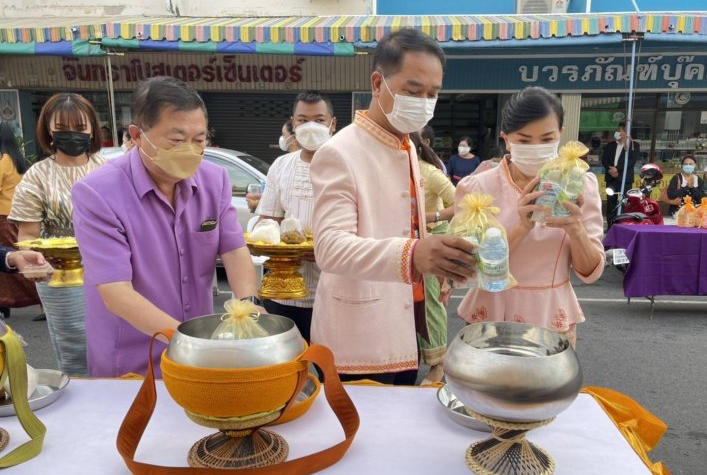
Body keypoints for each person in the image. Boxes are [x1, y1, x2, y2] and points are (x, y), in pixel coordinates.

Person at [310, 28, 476, 385]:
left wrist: (439, 263)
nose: (424, 102)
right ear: (377, 82)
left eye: (432, 94)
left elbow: (410, 226)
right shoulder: (339, 152)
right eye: (413, 91)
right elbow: (329, 248)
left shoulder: (407, 147)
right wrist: (414, 255)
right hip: (357, 338)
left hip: (405, 325)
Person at [72, 76, 259, 378]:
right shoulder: (97, 193)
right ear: (137, 135)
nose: (190, 149)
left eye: (199, 140)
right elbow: (115, 291)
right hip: (132, 361)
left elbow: (235, 250)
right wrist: (189, 341)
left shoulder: (214, 181)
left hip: (196, 357)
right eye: (176, 140)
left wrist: (249, 304)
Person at [455, 86, 605, 347]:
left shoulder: (580, 185)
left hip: (551, 315)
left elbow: (590, 272)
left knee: (546, 387)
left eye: (546, 139)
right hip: (490, 314)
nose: (536, 148)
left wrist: (576, 228)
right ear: (506, 139)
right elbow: (468, 267)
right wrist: (521, 226)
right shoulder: (476, 189)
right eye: (524, 141)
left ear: (560, 134)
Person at [9, 93, 107, 376]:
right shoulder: (37, 175)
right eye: (62, 129)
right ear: (49, 131)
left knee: (116, 344)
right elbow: (27, 234)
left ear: (91, 129)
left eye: (79, 127)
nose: (72, 135)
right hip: (63, 274)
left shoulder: (109, 169)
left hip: (112, 269)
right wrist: (34, 262)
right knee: (76, 351)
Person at [255, 91, 336, 344]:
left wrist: (327, 248)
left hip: (334, 294)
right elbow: (267, 221)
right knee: (286, 368)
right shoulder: (281, 165)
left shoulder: (350, 165)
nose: (311, 126)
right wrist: (277, 242)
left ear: (332, 124)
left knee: (330, 370)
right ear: (293, 124)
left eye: (320, 120)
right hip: (282, 294)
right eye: (303, 120)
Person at [410, 132, 455, 384]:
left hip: (432, 242)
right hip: (404, 244)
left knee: (431, 304)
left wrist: (431, 217)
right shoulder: (393, 171)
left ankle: (438, 365)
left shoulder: (429, 173)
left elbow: (462, 202)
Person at [0, 122, 41, 318]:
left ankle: (42, 298)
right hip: (14, 214)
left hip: (2, 217)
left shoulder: (2, 160)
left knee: (15, 262)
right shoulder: (17, 160)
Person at [602, 122, 641, 227]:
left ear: (626, 132)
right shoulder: (610, 145)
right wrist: (610, 169)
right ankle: (611, 226)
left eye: (620, 130)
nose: (617, 132)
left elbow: (632, 161)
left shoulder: (633, 145)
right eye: (617, 130)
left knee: (624, 202)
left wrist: (617, 169)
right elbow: (604, 159)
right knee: (611, 202)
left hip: (625, 178)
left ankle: (622, 226)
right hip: (611, 178)